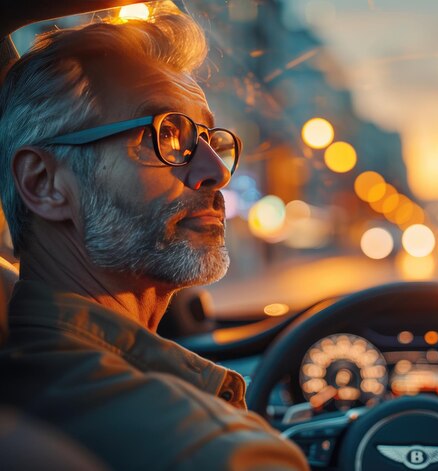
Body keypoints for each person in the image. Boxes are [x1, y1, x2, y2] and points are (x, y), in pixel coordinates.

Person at [0, 7, 308, 470]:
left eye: (209, 139)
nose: (216, 172)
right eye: (168, 134)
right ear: (44, 183)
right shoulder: (222, 453)